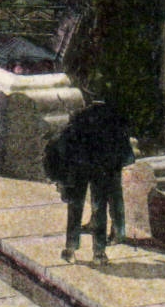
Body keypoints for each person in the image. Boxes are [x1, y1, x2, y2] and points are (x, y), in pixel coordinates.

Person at [52, 90, 134, 265]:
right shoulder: (116, 118)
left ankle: (71, 249)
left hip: (80, 167)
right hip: (102, 169)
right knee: (99, 209)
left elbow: (65, 145)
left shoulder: (80, 116)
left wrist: (64, 172)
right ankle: (99, 253)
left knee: (75, 206)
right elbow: (124, 149)